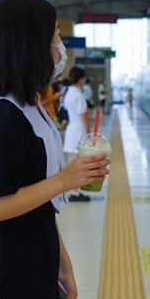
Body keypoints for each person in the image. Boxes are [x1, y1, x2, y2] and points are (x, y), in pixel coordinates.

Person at [0, 0, 109, 299]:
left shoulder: (30, 106)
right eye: (55, 36)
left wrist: (61, 260)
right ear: (28, 44)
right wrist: (67, 179)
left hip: (34, 253)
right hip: (6, 269)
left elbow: (36, 198)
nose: (60, 46)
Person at [62, 66, 90, 202]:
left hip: (71, 130)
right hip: (78, 130)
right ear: (80, 79)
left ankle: (74, 191)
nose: (84, 80)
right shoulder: (78, 95)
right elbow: (84, 116)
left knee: (73, 162)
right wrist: (89, 133)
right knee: (78, 163)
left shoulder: (69, 93)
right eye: (83, 77)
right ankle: (74, 192)